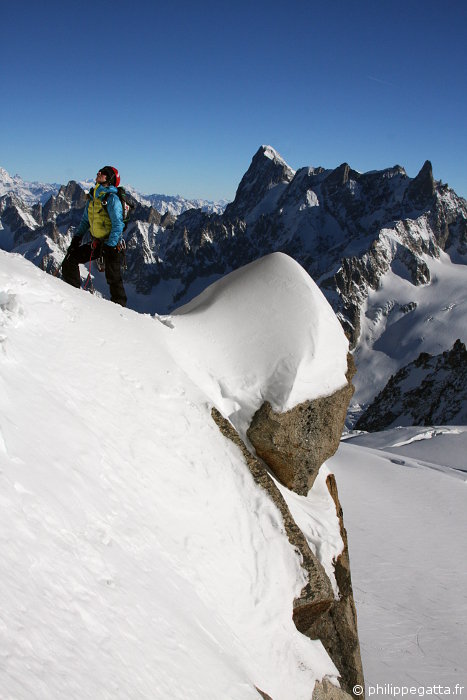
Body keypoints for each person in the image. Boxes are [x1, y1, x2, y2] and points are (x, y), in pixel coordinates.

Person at [62, 166, 127, 306]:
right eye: (99, 171)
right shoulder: (93, 197)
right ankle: (72, 295)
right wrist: (76, 239)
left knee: (113, 279)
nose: (99, 173)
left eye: (103, 173)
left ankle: (122, 314)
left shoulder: (112, 199)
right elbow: (86, 221)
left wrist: (110, 246)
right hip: (98, 243)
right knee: (70, 259)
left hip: (112, 245)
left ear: (109, 179)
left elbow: (118, 225)